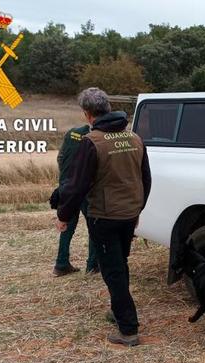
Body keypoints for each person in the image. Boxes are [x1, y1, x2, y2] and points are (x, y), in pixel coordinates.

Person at [56, 88, 151, 346]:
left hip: (104, 216)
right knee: (120, 262)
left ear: (87, 115)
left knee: (112, 270)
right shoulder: (134, 138)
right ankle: (117, 310)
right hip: (129, 213)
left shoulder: (92, 141)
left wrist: (63, 215)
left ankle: (128, 329)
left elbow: (77, 186)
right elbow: (146, 179)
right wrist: (138, 209)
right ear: (108, 108)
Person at [52, 122, 99, 277]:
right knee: (94, 226)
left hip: (67, 188)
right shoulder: (96, 137)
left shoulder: (72, 133)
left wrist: (67, 180)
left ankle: (61, 264)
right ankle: (92, 266)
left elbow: (60, 158)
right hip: (86, 189)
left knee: (67, 226)